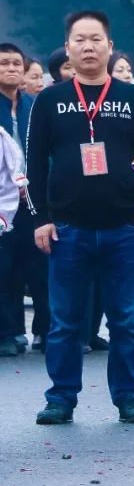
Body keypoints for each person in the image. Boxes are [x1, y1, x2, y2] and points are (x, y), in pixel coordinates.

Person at [26, 11, 134, 425]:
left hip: (125, 228)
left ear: (110, 45)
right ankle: (61, 397)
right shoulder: (49, 100)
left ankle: (129, 397)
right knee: (65, 321)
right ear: (68, 47)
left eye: (96, 39)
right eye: (79, 40)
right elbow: (36, 163)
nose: (88, 47)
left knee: (127, 319)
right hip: (67, 228)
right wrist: (41, 220)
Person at [0, 43, 38, 356]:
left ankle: (43, 331)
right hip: (2, 200)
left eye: (16, 64)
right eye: (4, 64)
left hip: (32, 199)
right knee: (4, 266)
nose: (11, 69)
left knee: (37, 264)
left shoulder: (34, 105)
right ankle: (8, 332)